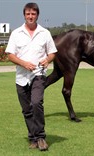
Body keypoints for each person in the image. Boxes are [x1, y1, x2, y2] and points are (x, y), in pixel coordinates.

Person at [5, 3, 57, 151]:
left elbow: (52, 52)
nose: (30, 16)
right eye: (28, 14)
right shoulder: (16, 33)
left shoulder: (44, 33)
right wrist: (24, 64)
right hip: (21, 77)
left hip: (38, 75)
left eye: (33, 14)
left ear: (37, 15)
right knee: (27, 109)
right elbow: (10, 55)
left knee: (36, 103)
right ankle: (33, 138)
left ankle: (41, 137)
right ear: (24, 15)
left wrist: (47, 60)